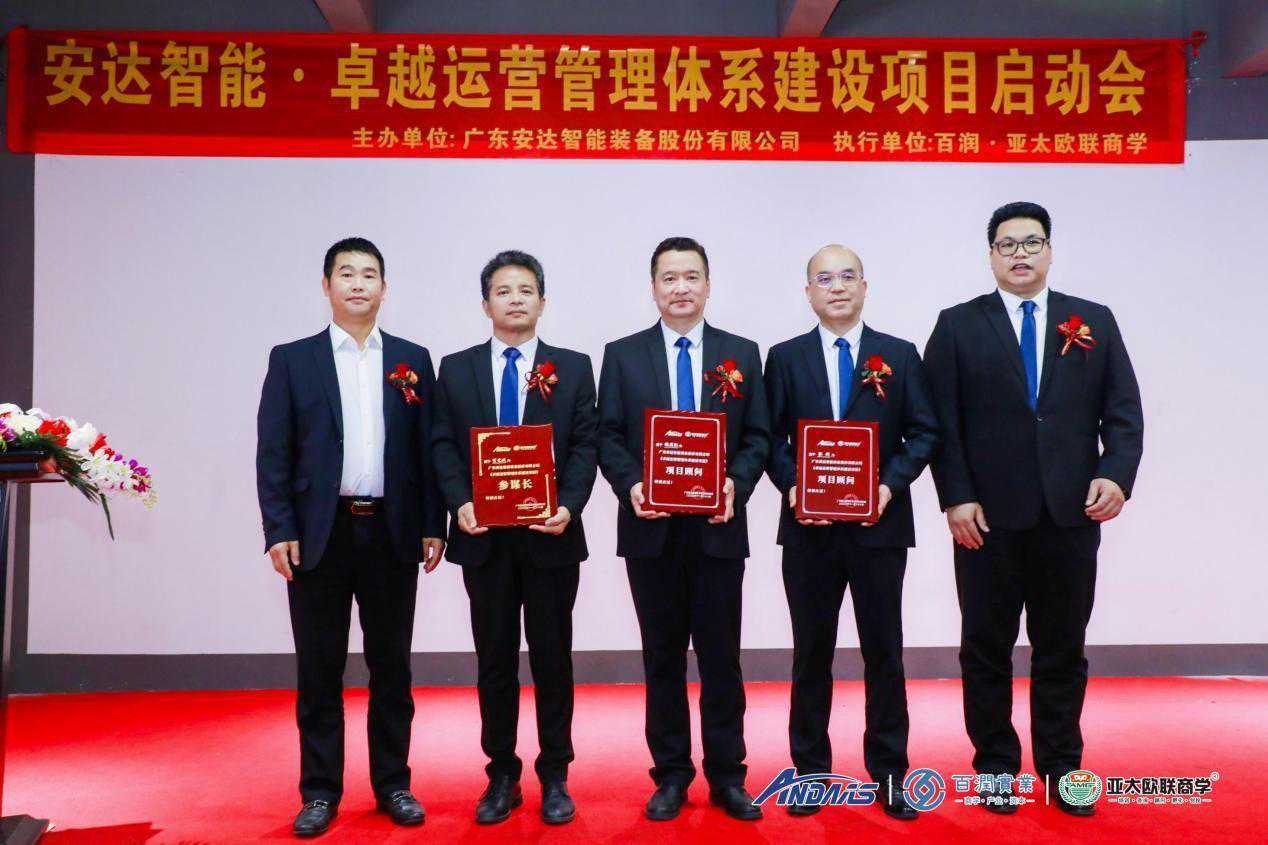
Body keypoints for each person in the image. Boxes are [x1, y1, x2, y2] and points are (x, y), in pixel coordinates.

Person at [924, 202, 1144, 816]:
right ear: (990, 255)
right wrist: (956, 497)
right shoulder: (958, 325)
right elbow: (940, 423)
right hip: (985, 520)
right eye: (1007, 244)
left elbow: (1123, 413)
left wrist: (1115, 476)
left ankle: (1062, 766)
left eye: (1031, 242)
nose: (1019, 254)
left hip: (1070, 516)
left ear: (1049, 251)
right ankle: (996, 767)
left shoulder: (1093, 320)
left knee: (1062, 647)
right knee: (985, 648)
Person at [256, 236, 446, 836]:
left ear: (384, 288)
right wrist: (279, 528)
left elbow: (428, 449)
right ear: (327, 285)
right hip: (320, 534)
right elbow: (273, 452)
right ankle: (319, 791)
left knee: (393, 667)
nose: (358, 283)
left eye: (369, 274)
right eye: (346, 273)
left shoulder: (412, 359)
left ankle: (394, 783)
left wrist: (432, 524)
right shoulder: (293, 360)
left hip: (391, 530)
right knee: (319, 669)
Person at [597, 236, 770, 821]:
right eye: (669, 278)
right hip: (652, 531)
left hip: (718, 529)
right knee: (662, 657)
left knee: (722, 658)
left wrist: (735, 485)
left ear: (708, 284)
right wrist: (631, 485)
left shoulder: (741, 353)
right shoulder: (623, 355)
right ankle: (671, 774)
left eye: (691, 276)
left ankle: (728, 775)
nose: (680, 288)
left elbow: (758, 436)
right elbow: (608, 435)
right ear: (653, 288)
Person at [764, 244, 940, 820]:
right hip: (808, 530)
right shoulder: (784, 358)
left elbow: (923, 432)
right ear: (808, 292)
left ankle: (890, 774)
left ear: (865, 286)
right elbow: (769, 437)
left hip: (878, 529)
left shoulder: (900, 355)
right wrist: (794, 486)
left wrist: (887, 486)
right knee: (810, 654)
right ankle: (810, 773)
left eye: (847, 277)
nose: (836, 287)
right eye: (824, 278)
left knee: (883, 652)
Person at [431, 250, 598, 825]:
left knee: (553, 660)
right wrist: (460, 501)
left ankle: (555, 774)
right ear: (486, 304)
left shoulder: (572, 367)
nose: (516, 299)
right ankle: (502, 774)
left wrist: (569, 505)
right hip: (484, 540)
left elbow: (585, 445)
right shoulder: (456, 369)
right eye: (503, 291)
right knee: (495, 661)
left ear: (542, 301)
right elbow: (442, 444)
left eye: (526, 290)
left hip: (551, 537)